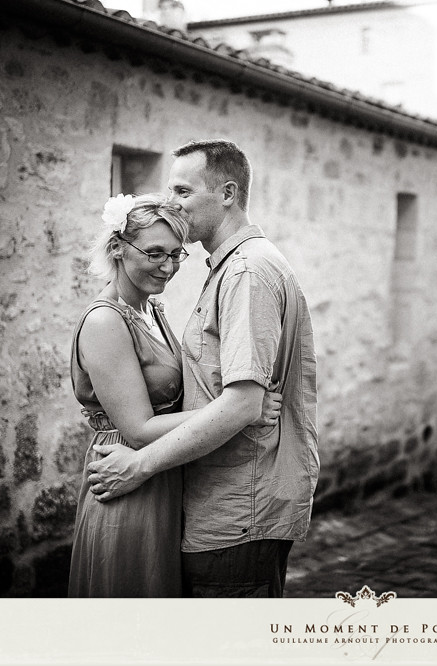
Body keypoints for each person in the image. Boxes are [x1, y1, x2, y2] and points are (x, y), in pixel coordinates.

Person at [86, 140, 319, 598]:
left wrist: (138, 467)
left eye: (183, 191)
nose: (173, 203)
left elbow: (241, 404)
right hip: (221, 504)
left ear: (228, 193)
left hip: (238, 508)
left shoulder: (246, 273)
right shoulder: (231, 269)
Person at [67, 192, 282, 597]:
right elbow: (139, 427)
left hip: (161, 473)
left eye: (175, 254)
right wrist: (240, 410)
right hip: (127, 480)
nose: (167, 267)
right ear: (117, 248)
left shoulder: (153, 310)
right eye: (154, 253)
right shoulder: (104, 321)